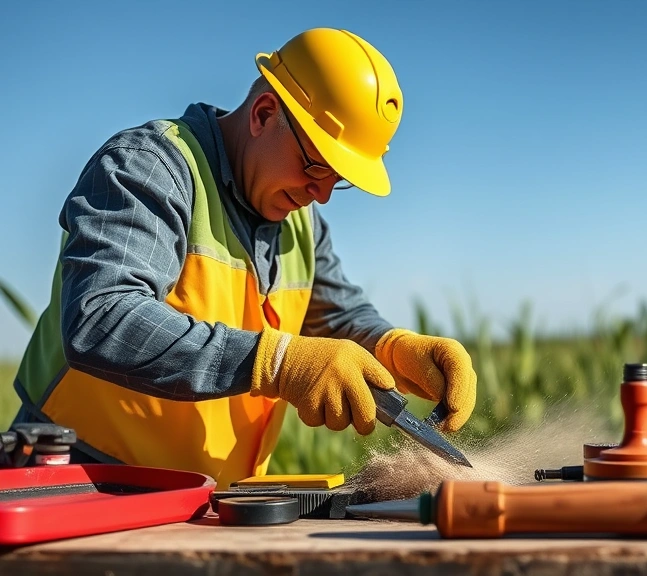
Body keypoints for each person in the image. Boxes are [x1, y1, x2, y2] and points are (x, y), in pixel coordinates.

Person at [9, 28, 477, 488]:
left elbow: (336, 316)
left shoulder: (303, 220)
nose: (322, 195)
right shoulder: (149, 169)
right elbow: (103, 318)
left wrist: (394, 348)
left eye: (339, 179)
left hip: (206, 496)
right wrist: (275, 363)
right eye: (316, 166)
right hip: (78, 476)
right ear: (264, 113)